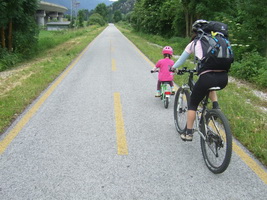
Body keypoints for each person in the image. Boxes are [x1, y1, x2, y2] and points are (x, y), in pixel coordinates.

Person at [172, 19, 229, 141]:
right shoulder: (217, 41)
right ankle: (216, 107)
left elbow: (181, 60)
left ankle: (188, 133)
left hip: (207, 78)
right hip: (224, 78)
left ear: (195, 31)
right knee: (208, 86)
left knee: (193, 104)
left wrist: (172, 68)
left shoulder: (195, 42)